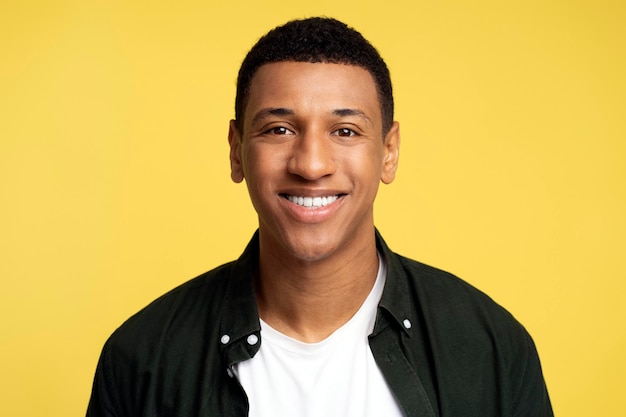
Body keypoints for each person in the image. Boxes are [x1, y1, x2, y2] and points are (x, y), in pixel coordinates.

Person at [86, 17, 553, 417]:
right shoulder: (142, 358)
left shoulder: (491, 349)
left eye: (345, 130)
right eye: (279, 129)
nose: (310, 164)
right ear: (236, 151)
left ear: (388, 152)